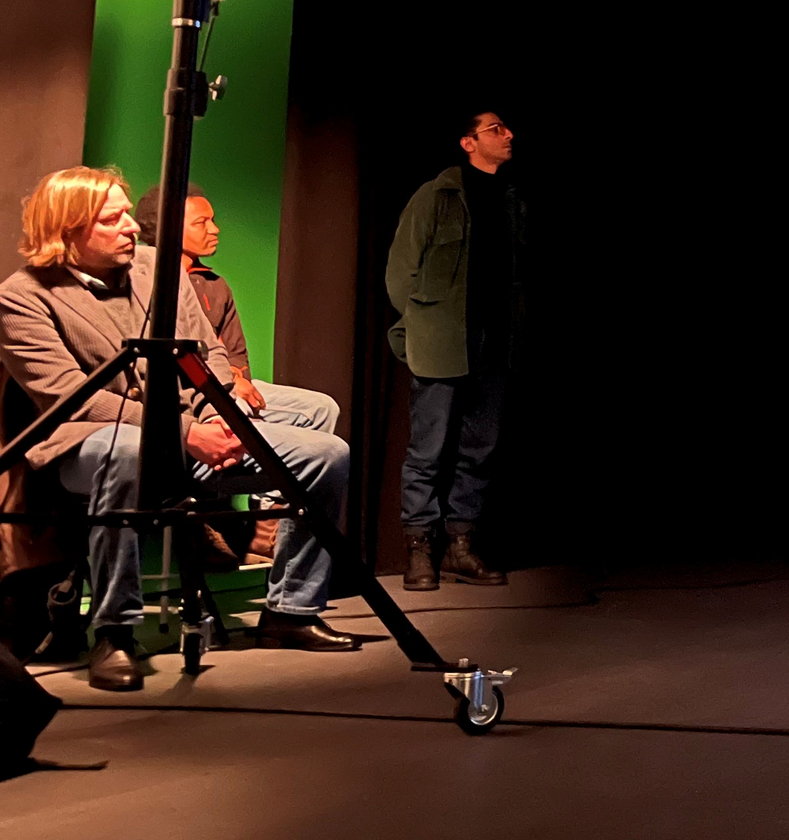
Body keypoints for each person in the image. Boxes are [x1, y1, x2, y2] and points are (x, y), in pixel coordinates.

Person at [0, 168, 360, 691]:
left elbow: (207, 352)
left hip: (191, 427)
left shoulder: (157, 269)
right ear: (68, 230)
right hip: (88, 441)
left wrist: (218, 413)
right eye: (112, 219)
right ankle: (115, 631)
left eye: (127, 213)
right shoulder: (22, 296)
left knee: (327, 454)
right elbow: (70, 398)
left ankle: (290, 611)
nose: (131, 226)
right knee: (125, 451)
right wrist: (187, 431)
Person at [385, 110, 521, 591]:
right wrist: (421, 325)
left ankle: (460, 546)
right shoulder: (436, 196)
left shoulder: (510, 199)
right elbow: (400, 274)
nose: (507, 135)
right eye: (495, 129)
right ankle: (420, 547)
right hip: (441, 341)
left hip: (494, 342)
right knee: (428, 451)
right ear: (468, 142)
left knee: (479, 449)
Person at [133, 182, 341, 434]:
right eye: (201, 223)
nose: (214, 229)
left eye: (212, 220)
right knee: (235, 408)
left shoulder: (216, 286)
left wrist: (235, 377)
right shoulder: (142, 280)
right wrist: (224, 384)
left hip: (226, 381)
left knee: (322, 408)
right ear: (170, 227)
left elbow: (235, 352)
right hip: (185, 387)